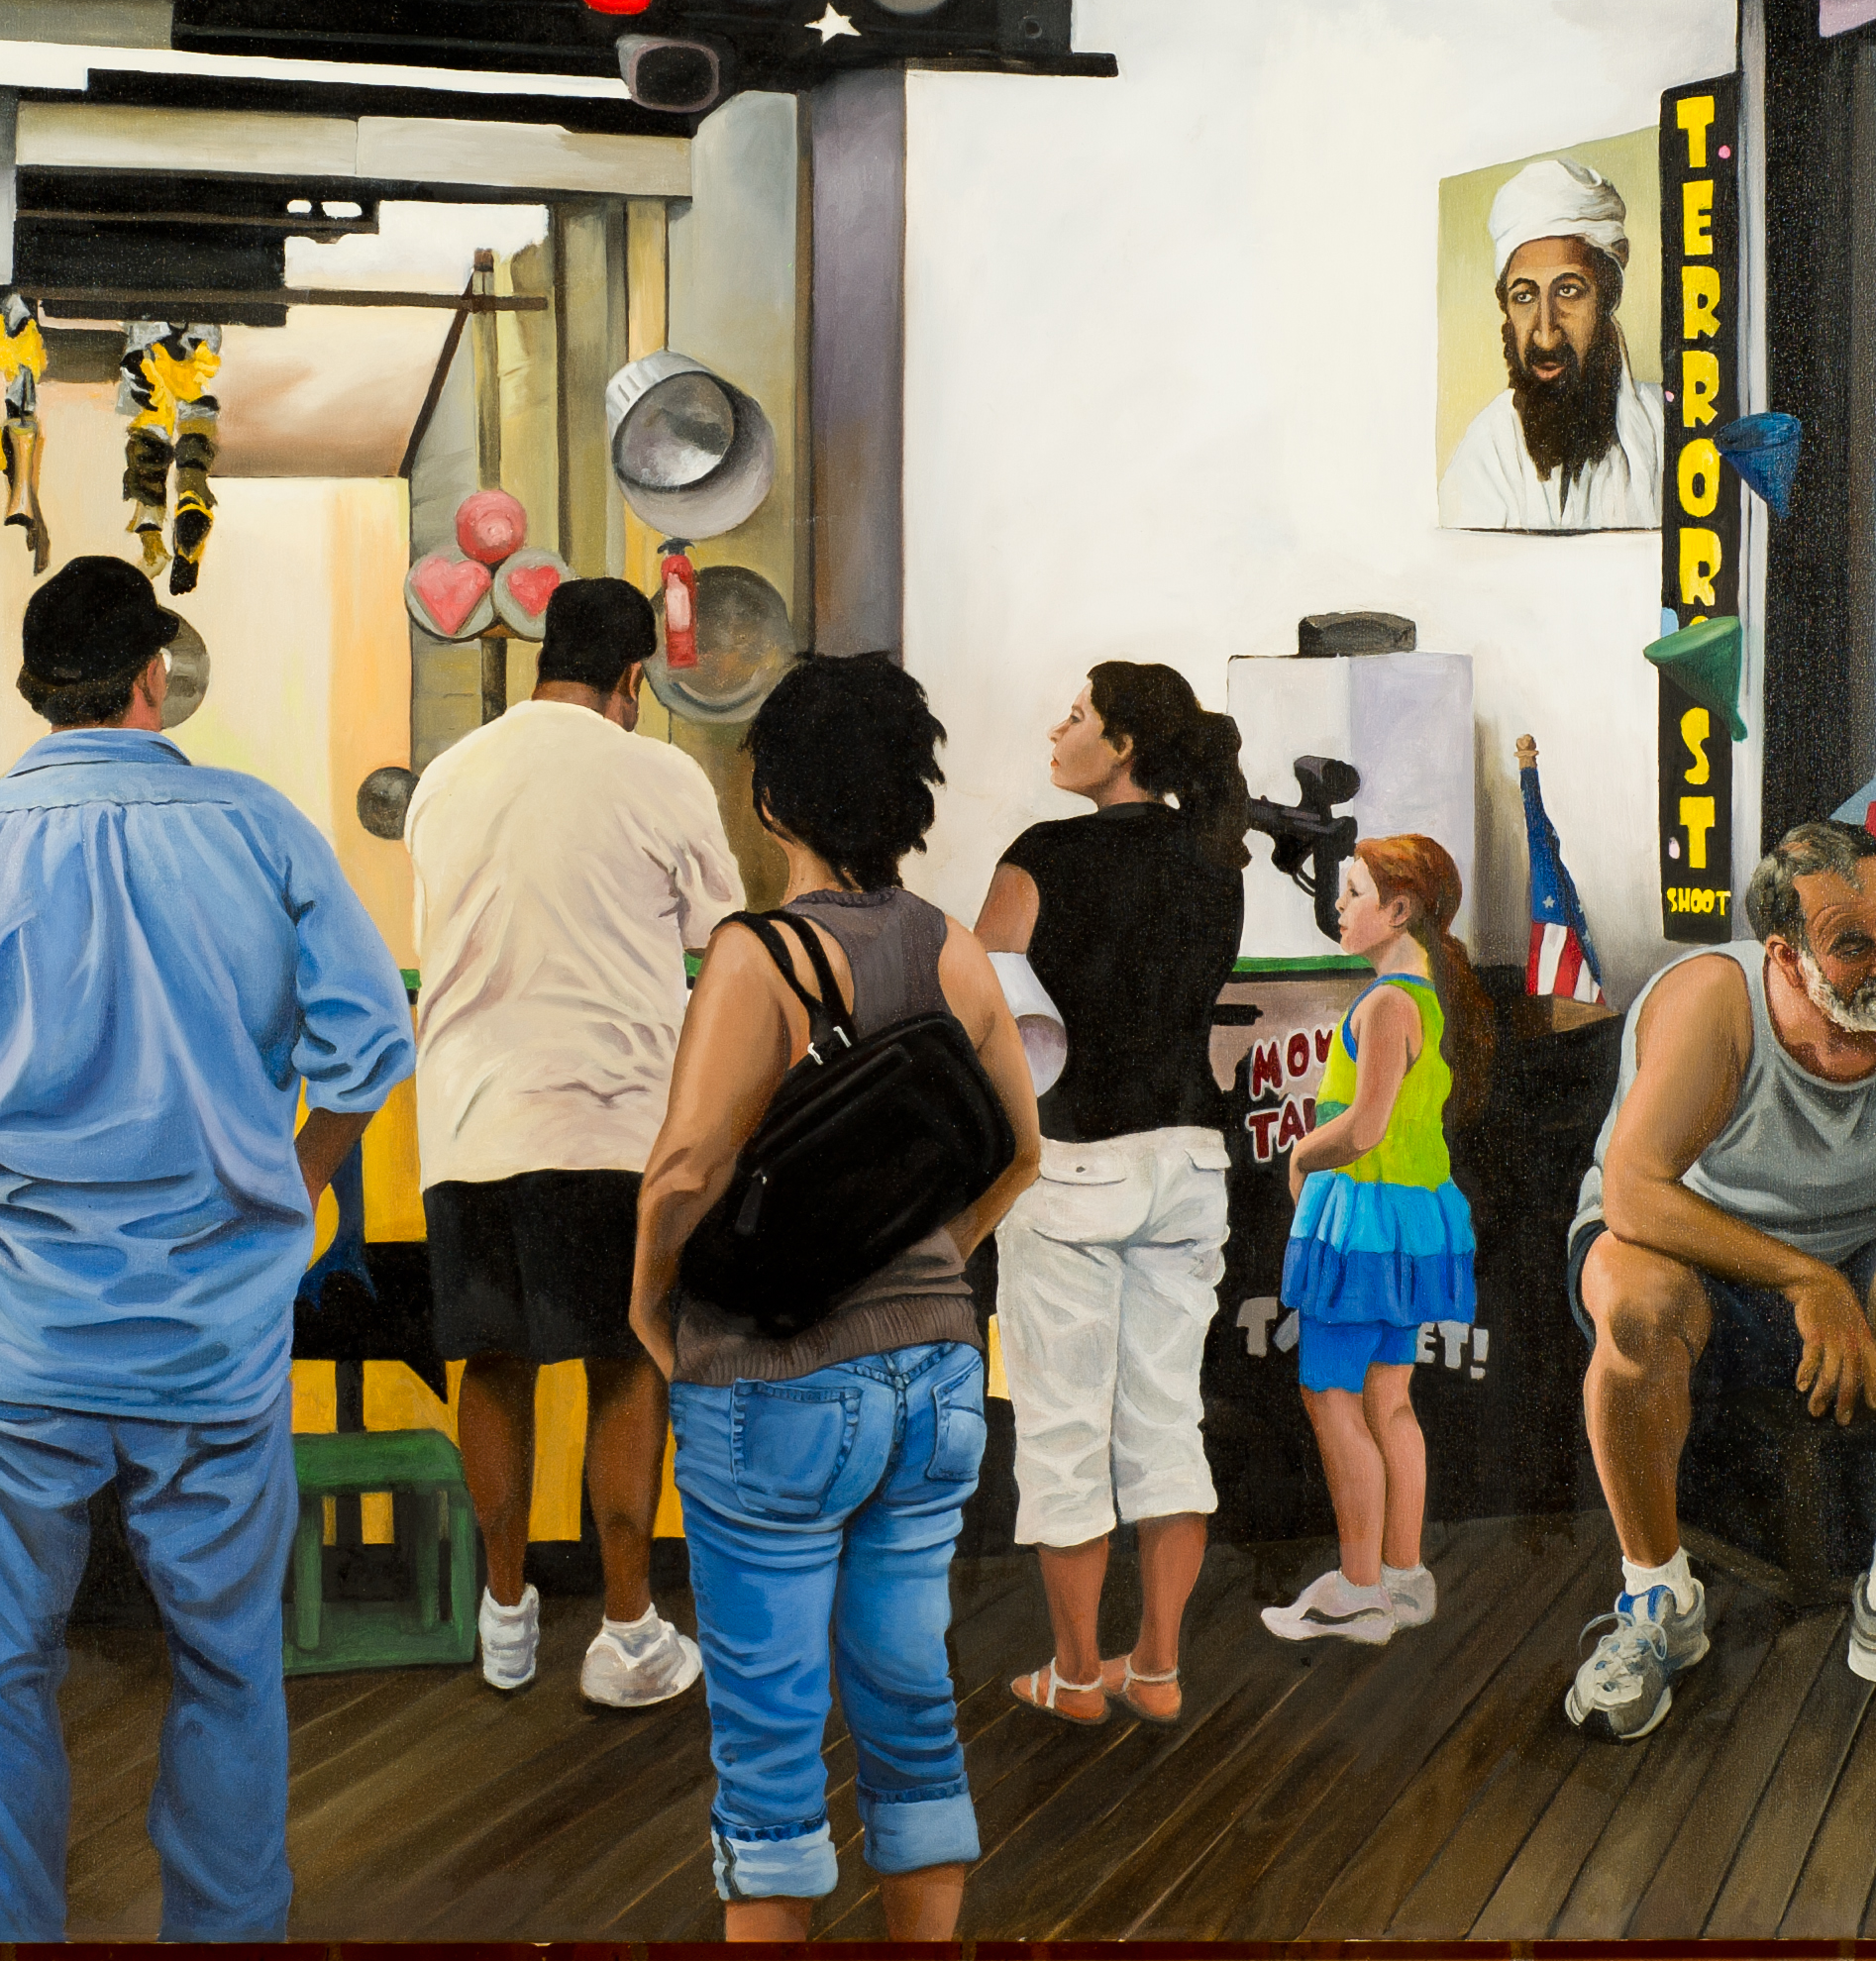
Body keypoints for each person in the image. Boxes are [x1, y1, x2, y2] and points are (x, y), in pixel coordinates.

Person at [0, 557, 416, 1941]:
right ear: (153, 678)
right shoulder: (260, 828)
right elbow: (371, 1042)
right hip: (213, 1338)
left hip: (13, 1344)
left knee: (1, 1678)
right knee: (229, 1668)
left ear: (32, 689)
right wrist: (292, 1187)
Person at [631, 655, 1043, 1942]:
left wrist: (649, 1304)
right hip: (936, 1379)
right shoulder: (952, 947)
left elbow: (686, 1170)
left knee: (770, 1745)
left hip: (773, 1386)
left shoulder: (757, 957)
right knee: (911, 1707)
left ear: (772, 801)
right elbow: (1020, 1150)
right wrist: (932, 1262)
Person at [1561, 818, 1876, 1742]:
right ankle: (1656, 1602)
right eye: (1852, 944)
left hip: (1858, 1254)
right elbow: (1633, 1191)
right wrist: (1803, 1283)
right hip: (1693, 1250)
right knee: (1635, 1305)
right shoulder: (1716, 1001)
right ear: (1785, 957)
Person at [403, 576, 740, 1707]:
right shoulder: (660, 773)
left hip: (467, 1120)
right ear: (632, 677)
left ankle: (505, 1617)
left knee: (493, 1363)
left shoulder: (448, 776)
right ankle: (628, 1631)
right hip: (611, 1118)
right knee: (624, 1362)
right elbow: (725, 943)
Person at [970, 664, 1245, 1728]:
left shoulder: (1043, 855)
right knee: (1168, 1420)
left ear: (1122, 744)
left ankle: (1077, 1675)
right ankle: (1159, 1666)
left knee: (1063, 1427)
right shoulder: (1215, 859)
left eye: (1078, 714)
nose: (1058, 727)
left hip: (1075, 1164)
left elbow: (984, 1010)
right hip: (1191, 1159)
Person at [1262, 836, 1487, 1648]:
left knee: (1331, 1395)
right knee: (1388, 1399)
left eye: (1353, 891)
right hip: (1410, 1225)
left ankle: (1359, 1588)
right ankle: (1402, 1575)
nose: (1338, 904)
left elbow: (1364, 1127)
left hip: (1362, 1226)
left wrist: (1299, 1155)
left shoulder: (1389, 1002)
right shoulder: (1424, 997)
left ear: (1397, 910)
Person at [1437, 156, 1663, 532]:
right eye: (1524, 297)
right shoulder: (1487, 453)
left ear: (1607, 296)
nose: (1545, 333)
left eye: (1568, 290)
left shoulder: (1669, 431)